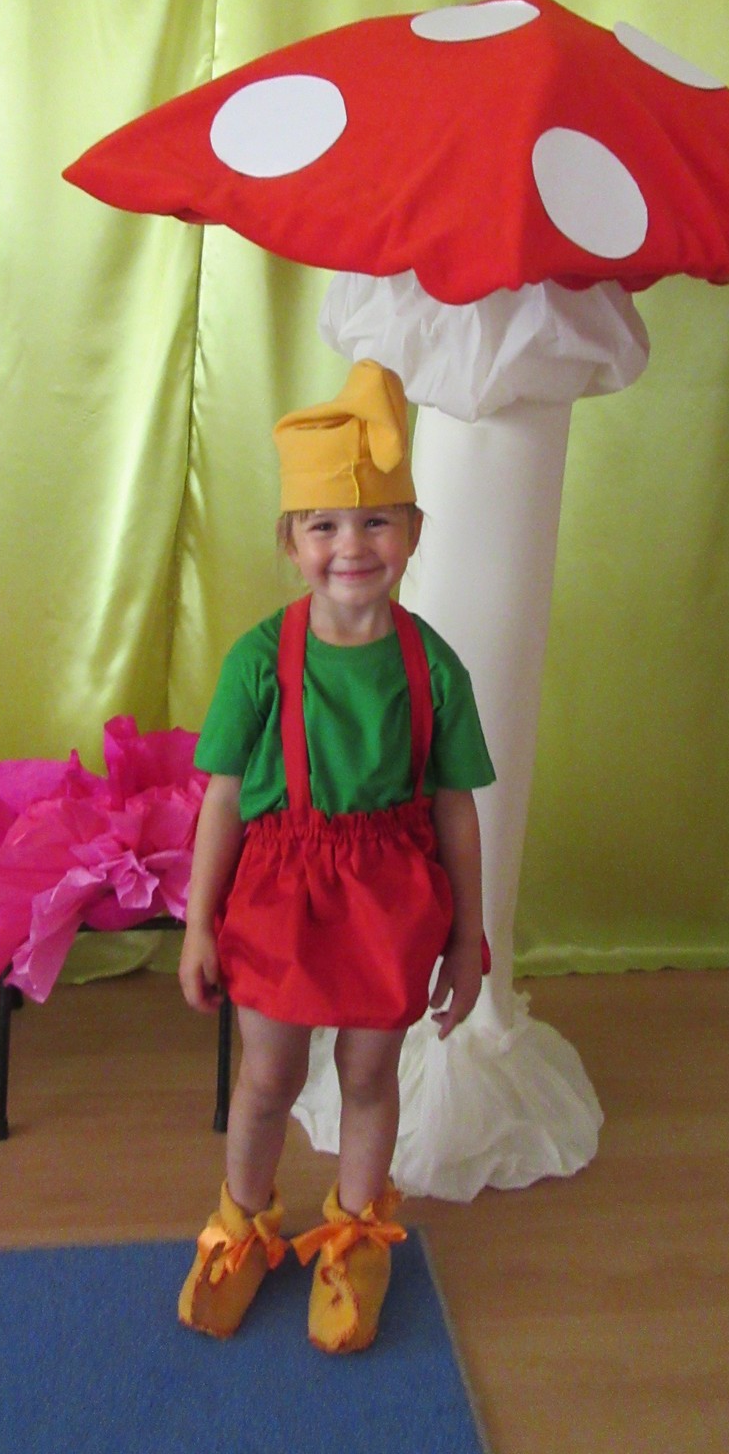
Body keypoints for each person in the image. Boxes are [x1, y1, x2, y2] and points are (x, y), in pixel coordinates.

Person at [176, 359, 494, 1352]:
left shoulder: (434, 666)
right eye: (323, 525)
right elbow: (222, 799)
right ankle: (240, 1225)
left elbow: (455, 810)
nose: (351, 546)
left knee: (368, 1074)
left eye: (375, 522)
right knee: (268, 1077)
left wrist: (469, 935)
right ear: (290, 541)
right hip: (279, 895)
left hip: (391, 900)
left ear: (413, 533)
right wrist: (197, 923)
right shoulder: (256, 661)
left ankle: (355, 1237)